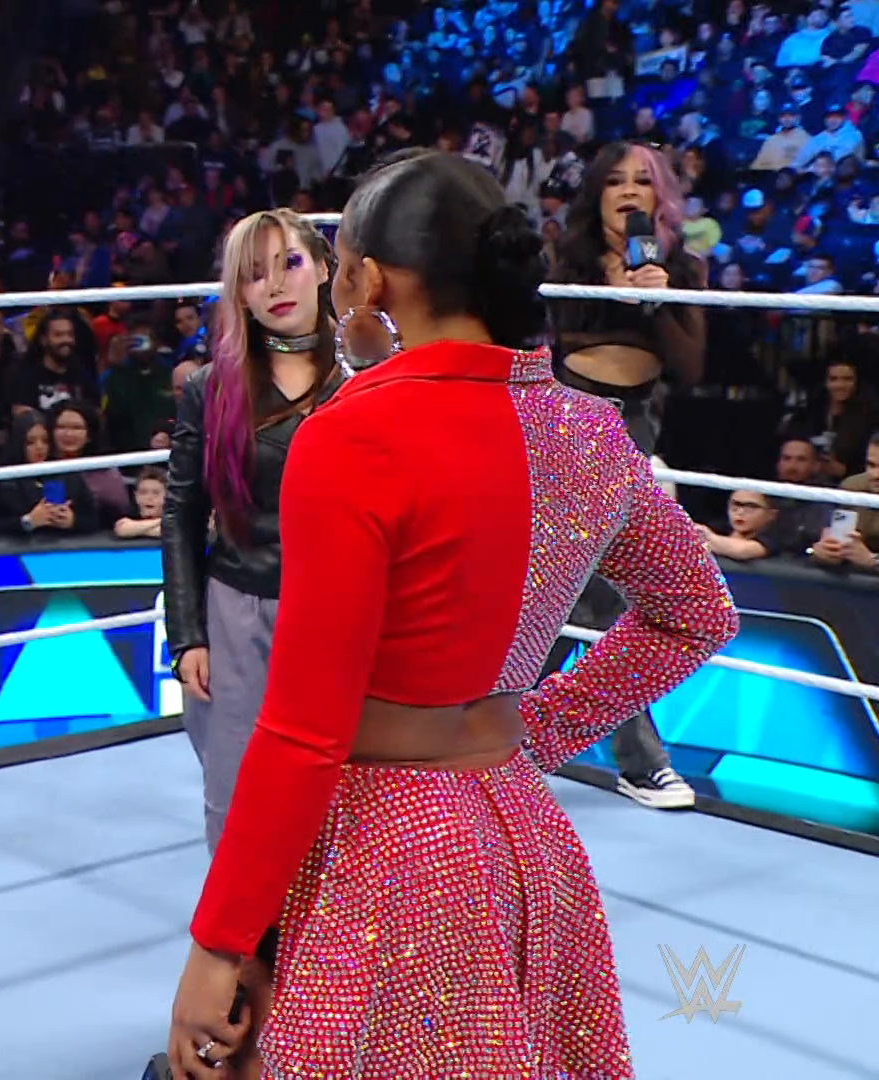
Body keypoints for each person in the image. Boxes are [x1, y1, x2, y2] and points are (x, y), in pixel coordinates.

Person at [166, 152, 737, 1078]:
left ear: (369, 281)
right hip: (525, 836)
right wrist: (532, 730)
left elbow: (305, 732)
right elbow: (697, 614)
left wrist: (218, 944)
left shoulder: (351, 435)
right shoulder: (591, 432)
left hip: (385, 853)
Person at [162, 207, 346, 854]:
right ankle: (242, 924)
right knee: (237, 797)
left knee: (343, 797)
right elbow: (182, 513)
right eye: (254, 273)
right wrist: (187, 635)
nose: (275, 285)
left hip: (343, 613)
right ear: (238, 292)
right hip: (239, 606)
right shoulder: (212, 388)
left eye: (290, 263)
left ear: (322, 267)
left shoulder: (368, 381)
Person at [543, 140, 708, 809]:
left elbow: (690, 367)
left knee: (575, 597)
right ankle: (641, 762)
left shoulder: (681, 267)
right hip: (567, 419)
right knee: (596, 595)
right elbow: (552, 339)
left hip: (636, 424)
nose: (630, 191)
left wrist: (659, 301)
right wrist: (609, 288)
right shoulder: (566, 258)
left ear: (660, 195)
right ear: (598, 194)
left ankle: (502, 733)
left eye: (643, 180)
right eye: (616, 181)